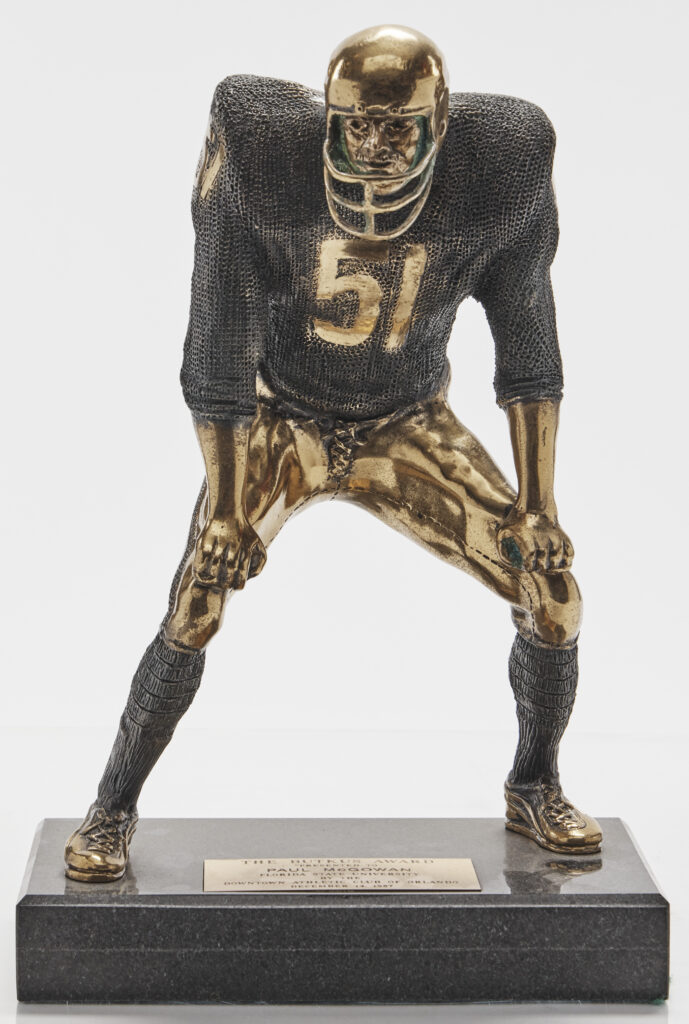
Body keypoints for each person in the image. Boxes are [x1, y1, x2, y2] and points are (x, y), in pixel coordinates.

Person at [65, 24, 601, 883]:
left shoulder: (500, 170)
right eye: (358, 125)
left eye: (398, 128)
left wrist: (539, 504)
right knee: (196, 604)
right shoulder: (264, 162)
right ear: (326, 118)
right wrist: (227, 510)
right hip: (281, 415)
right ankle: (113, 805)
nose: (376, 148)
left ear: (441, 123)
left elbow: (528, 347)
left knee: (554, 597)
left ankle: (533, 783)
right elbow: (218, 350)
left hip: (408, 421)